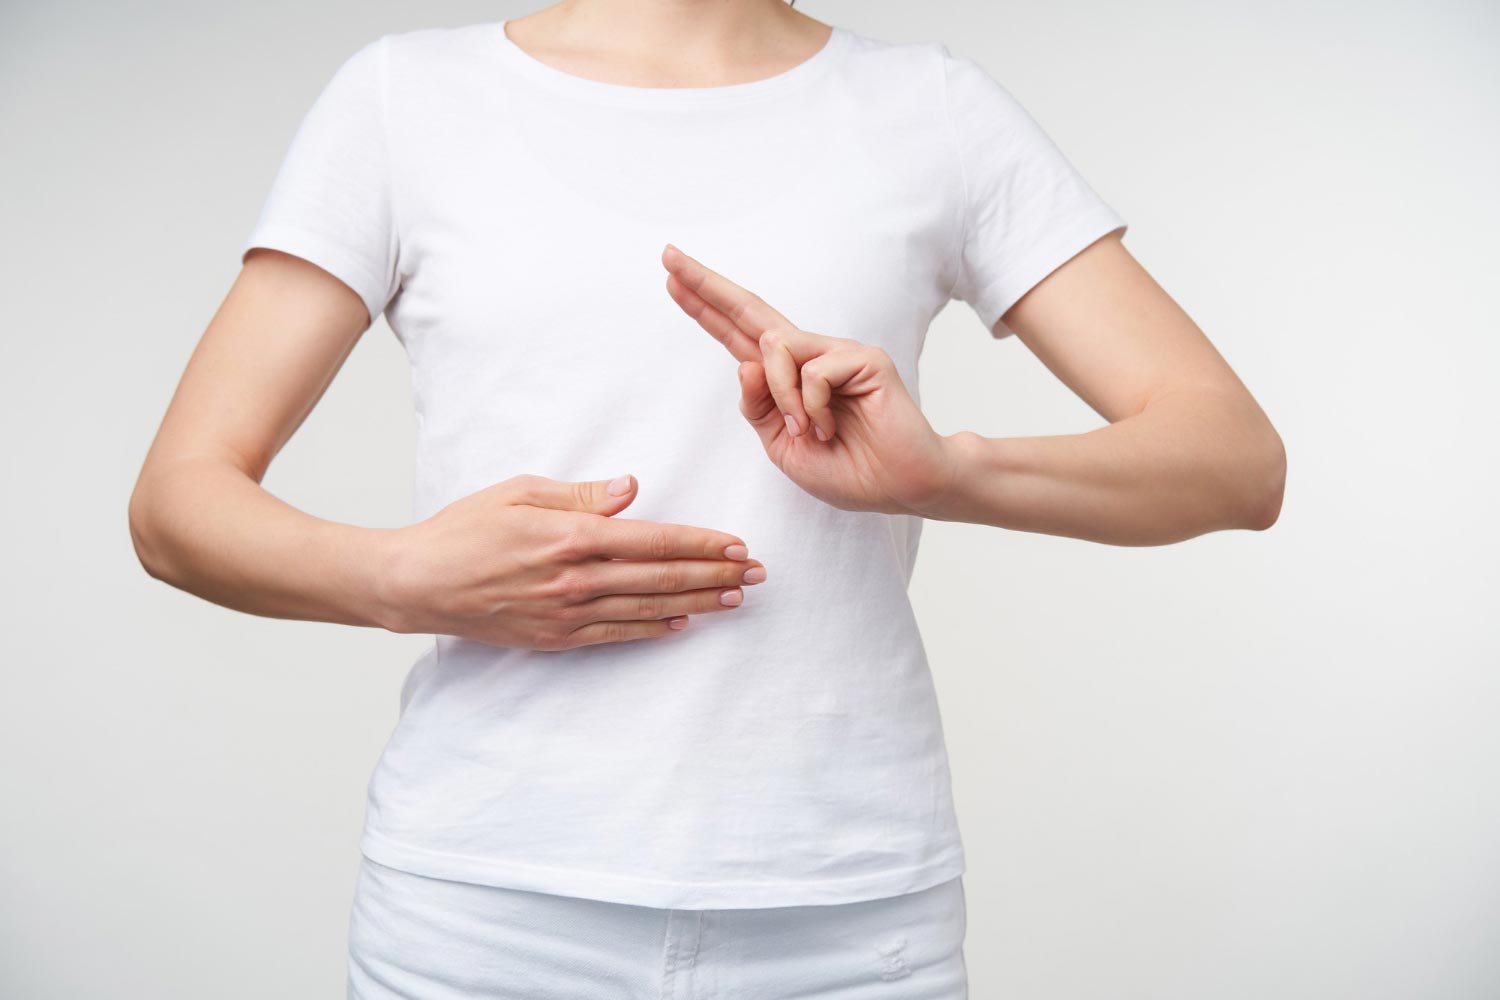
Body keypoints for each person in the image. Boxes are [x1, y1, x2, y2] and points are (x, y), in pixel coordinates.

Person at [127, 0, 1286, 995]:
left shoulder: (931, 109)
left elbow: (1235, 459)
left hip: (847, 917)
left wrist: (944, 473)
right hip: (488, 912)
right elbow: (177, 503)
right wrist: (403, 578)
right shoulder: (403, 99)